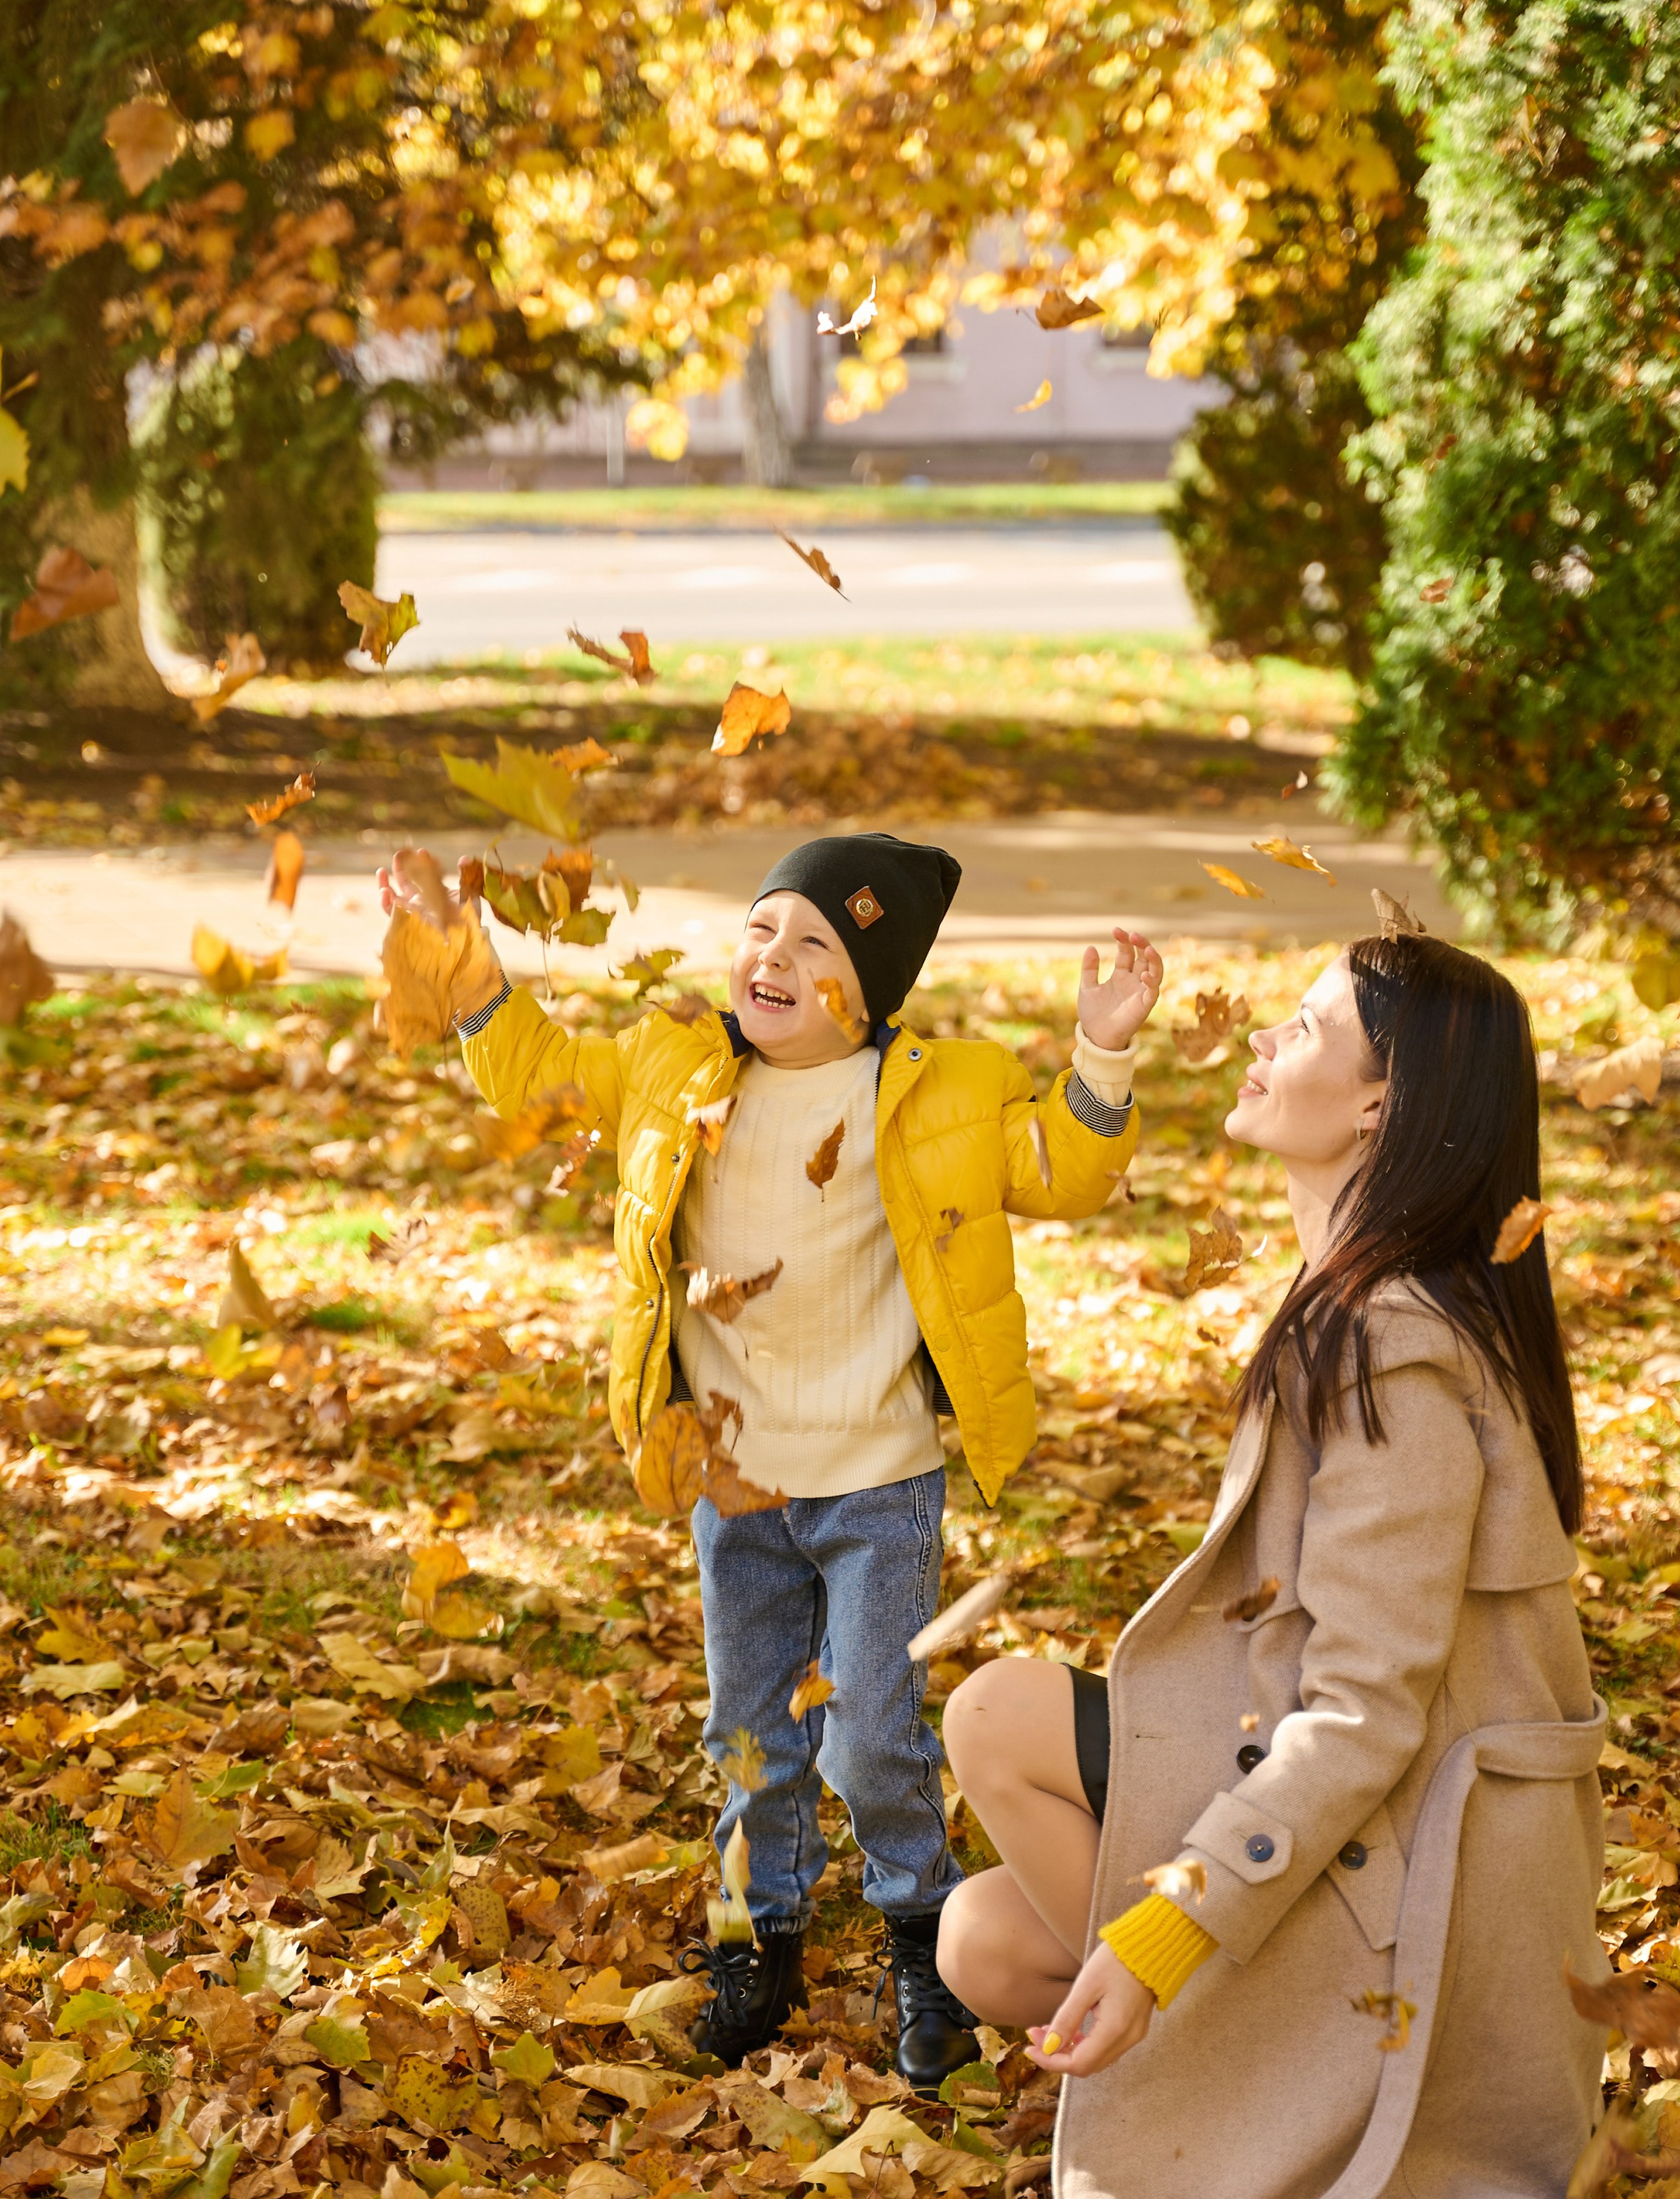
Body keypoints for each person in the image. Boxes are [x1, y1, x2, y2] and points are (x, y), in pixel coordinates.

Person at [377, 834, 1160, 2088]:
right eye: (762, 928)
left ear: (870, 987)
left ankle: (923, 1930)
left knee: (870, 1733)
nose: (774, 956)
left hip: (877, 1483)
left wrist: (1103, 1051)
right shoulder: (671, 1064)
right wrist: (449, 945)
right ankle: (761, 1937)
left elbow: (1059, 1168)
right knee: (748, 1730)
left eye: (816, 942)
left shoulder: (934, 1093)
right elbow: (534, 1072)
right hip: (735, 1482)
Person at [936, 931, 1607, 2199]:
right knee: (980, 1938)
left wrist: (1169, 1930)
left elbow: (1366, 1713)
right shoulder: (1375, 1297)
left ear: (1378, 1103)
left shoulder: (1396, 1346)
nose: (1256, 1039)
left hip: (1417, 1866)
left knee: (994, 1714)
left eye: (1301, 1028)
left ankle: (1226, 2041)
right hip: (1369, 1812)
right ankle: (1216, 2047)